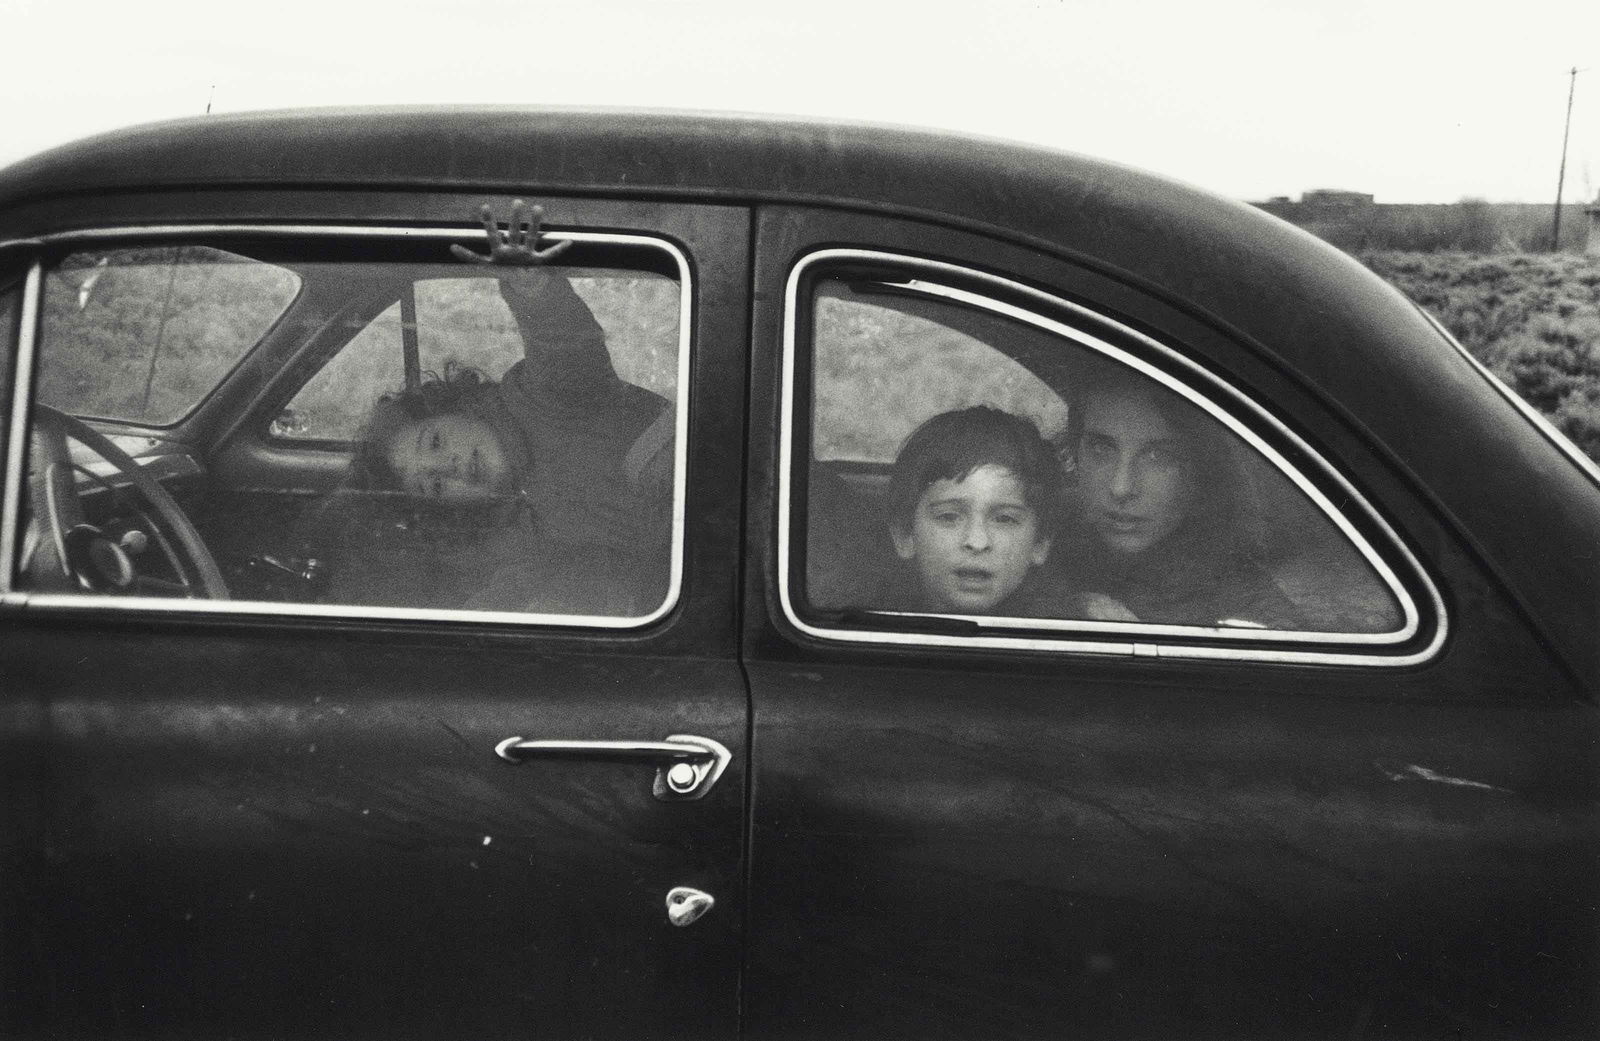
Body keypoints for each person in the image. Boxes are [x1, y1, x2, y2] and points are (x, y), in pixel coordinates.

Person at [312, 201, 674, 616]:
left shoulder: (536, 398)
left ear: (453, 406)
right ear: (449, 507)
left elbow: (567, 350)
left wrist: (533, 291)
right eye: (433, 486)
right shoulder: (511, 527)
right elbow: (515, 590)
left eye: (433, 442)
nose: (446, 468)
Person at [1059, 368, 1304, 629]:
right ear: (1075, 451)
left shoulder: (1248, 608)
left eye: (1158, 457)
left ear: (1201, 469)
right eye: (1101, 448)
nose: (1121, 487)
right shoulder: (1038, 541)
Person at [878, 405, 1127, 619]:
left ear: (1040, 543)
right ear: (904, 535)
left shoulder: (1072, 632)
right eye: (948, 517)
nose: (977, 542)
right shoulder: (872, 626)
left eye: (1004, 519)